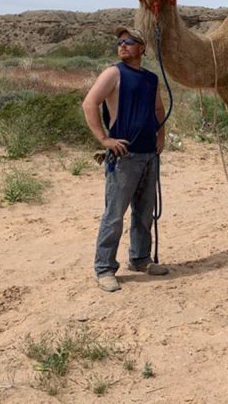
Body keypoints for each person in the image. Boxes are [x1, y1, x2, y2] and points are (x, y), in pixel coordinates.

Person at [82, 26, 168, 292]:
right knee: (114, 215)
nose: (123, 46)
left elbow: (157, 108)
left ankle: (140, 259)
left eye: (129, 42)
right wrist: (105, 140)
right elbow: (89, 103)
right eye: (120, 42)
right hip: (124, 156)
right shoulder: (114, 73)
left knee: (144, 213)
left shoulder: (151, 78)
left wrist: (161, 135)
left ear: (142, 48)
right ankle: (104, 268)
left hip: (148, 154)